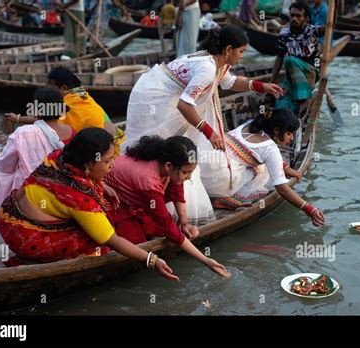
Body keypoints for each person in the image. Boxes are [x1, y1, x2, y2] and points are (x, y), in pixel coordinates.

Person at [123, 24, 283, 226]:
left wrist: (261, 86)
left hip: (166, 94)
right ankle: (153, 200)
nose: (242, 56)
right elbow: (184, 104)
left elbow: (229, 82)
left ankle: (159, 196)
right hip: (154, 98)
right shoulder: (207, 69)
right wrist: (209, 132)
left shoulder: (217, 63)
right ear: (228, 50)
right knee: (165, 147)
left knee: (177, 148)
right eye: (241, 51)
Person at [0, 128, 179, 280]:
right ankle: (39, 257)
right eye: (107, 161)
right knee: (95, 239)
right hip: (26, 238)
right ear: (88, 164)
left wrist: (103, 184)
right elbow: (113, 240)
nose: (113, 165)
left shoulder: (59, 156)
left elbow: (82, 178)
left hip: (7, 214)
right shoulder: (80, 198)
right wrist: (152, 260)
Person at [105, 135, 231, 277]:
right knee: (136, 247)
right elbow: (166, 225)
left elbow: (176, 188)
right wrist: (206, 260)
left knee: (162, 231)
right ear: (169, 166)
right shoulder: (148, 180)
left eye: (191, 172)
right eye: (185, 172)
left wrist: (184, 222)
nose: (189, 177)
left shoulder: (164, 162)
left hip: (136, 201)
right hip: (114, 205)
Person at [203, 108, 325, 227]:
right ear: (276, 131)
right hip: (217, 180)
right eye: (289, 133)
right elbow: (282, 188)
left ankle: (221, 193)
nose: (292, 138)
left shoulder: (250, 124)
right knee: (261, 172)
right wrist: (309, 209)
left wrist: (286, 168)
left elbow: (255, 151)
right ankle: (225, 198)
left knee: (259, 165)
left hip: (204, 163)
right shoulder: (271, 148)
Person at [0, 88, 75, 222]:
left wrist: (0, 154)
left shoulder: (23, 133)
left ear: (37, 110)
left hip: (29, 193)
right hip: (61, 190)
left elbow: (5, 165)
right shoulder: (72, 132)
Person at [270, 1, 325, 116]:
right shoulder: (284, 33)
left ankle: (305, 98)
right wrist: (271, 81)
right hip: (293, 75)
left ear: (306, 19)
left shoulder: (312, 30)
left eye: (298, 16)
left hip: (311, 73)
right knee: (281, 101)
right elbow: (279, 57)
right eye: (292, 15)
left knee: (289, 60)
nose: (294, 18)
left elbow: (330, 26)